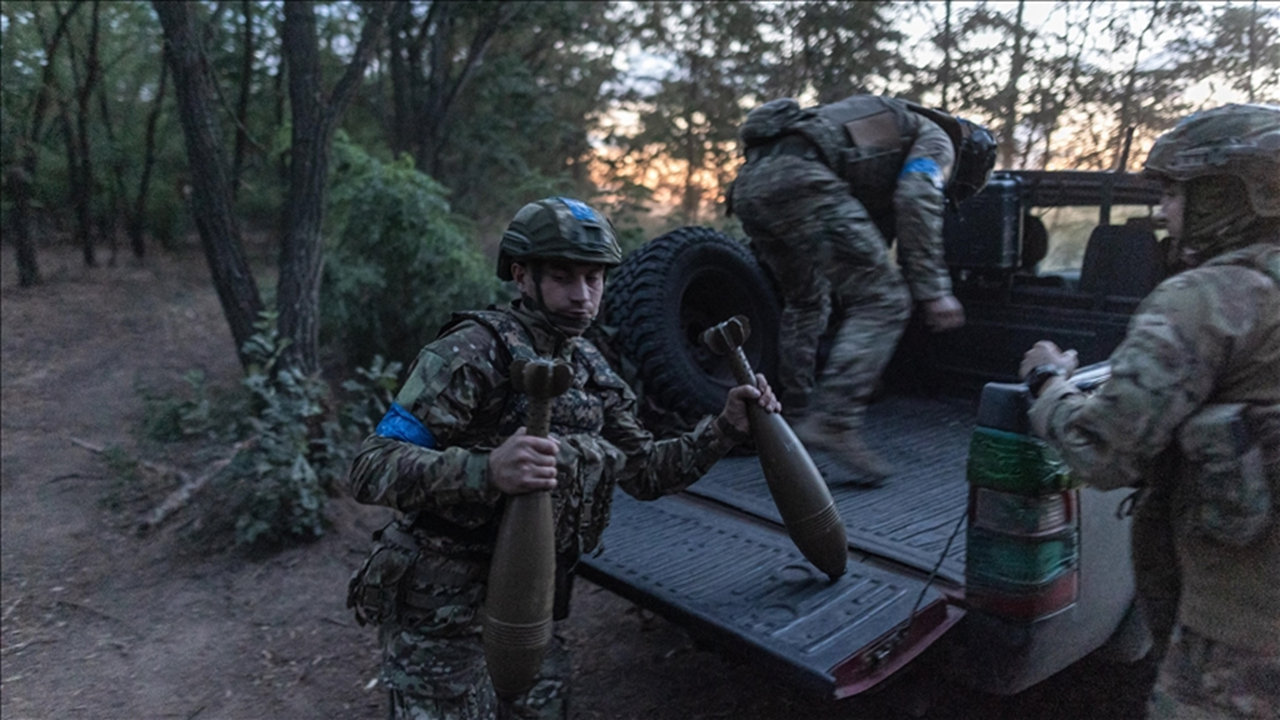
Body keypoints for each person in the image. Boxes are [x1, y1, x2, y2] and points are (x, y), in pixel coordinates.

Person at [344, 196, 780, 720]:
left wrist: (724, 428)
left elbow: (645, 472)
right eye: (563, 276)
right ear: (522, 275)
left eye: (594, 279)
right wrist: (486, 470)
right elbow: (371, 464)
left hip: (529, 607)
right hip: (442, 612)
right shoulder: (472, 352)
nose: (581, 296)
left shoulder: (592, 367)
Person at [1019, 104, 1279, 719]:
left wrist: (1047, 382)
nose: (1162, 212)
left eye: (1174, 193)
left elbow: (1100, 452)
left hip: (1242, 633)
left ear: (1228, 194)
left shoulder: (1209, 298)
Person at [728, 94, 996, 483]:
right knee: (885, 299)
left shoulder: (885, 127)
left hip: (749, 186)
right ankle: (833, 420)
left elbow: (864, 222)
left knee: (805, 302)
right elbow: (917, 194)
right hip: (802, 177)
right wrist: (934, 289)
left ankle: (797, 417)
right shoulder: (937, 139)